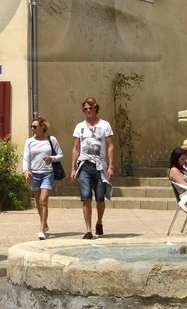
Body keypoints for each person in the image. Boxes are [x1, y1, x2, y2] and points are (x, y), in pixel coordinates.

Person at [71, 97, 115, 240]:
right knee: (86, 198)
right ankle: (88, 230)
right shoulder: (79, 127)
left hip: (100, 165)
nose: (88, 111)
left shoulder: (105, 125)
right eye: (85, 109)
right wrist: (73, 168)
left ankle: (99, 222)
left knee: (100, 198)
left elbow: (110, 145)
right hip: (84, 165)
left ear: (96, 108)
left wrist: (111, 166)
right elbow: (76, 147)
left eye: (90, 108)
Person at [20, 116, 62, 239]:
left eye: (35, 126)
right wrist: (26, 170)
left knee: (43, 201)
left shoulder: (51, 139)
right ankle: (45, 222)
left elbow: (60, 155)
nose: (33, 128)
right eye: (31, 126)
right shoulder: (29, 141)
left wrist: (51, 158)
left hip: (47, 173)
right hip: (34, 174)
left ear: (42, 127)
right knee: (38, 202)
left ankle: (41, 229)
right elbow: (26, 157)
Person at [168, 146, 187, 212]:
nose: (184, 161)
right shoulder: (174, 170)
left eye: (185, 159)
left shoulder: (182, 169)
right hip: (185, 194)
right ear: (176, 159)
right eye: (182, 159)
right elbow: (183, 184)